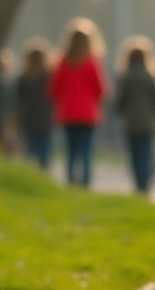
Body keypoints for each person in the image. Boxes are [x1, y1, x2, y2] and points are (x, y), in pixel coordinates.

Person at [50, 18, 108, 188]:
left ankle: (70, 181)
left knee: (71, 150)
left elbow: (54, 89)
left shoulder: (62, 63)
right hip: (88, 114)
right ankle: (85, 183)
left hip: (68, 113)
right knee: (86, 150)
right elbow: (101, 90)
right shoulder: (92, 63)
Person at [115, 35, 155, 194]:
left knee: (134, 154)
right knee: (146, 153)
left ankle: (138, 183)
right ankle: (146, 183)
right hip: (148, 123)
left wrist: (121, 111)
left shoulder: (126, 77)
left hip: (131, 123)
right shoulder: (151, 76)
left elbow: (120, 101)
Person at [15, 37, 55, 171]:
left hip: (28, 119)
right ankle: (43, 173)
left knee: (30, 149)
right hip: (45, 118)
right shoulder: (48, 77)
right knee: (44, 149)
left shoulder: (23, 78)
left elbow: (18, 101)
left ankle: (30, 173)